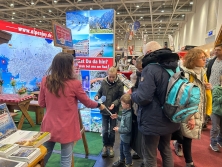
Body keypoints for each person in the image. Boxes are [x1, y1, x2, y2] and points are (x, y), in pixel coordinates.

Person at [38, 52, 105, 167]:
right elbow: (87, 102)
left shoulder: (45, 80)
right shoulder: (75, 84)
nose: (74, 66)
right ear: (67, 66)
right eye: (73, 64)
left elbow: (41, 103)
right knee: (65, 160)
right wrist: (99, 105)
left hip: (49, 125)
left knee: (43, 156)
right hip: (67, 127)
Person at [131, 41, 180, 167]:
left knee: (150, 154)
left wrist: (133, 94)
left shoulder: (150, 69)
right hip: (171, 115)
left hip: (153, 119)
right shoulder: (176, 67)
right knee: (166, 149)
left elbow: (144, 97)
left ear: (149, 53)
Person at [173, 48, 212, 167]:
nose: (205, 60)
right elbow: (185, 96)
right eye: (202, 58)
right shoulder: (186, 73)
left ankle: (177, 143)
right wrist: (191, 116)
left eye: (205, 58)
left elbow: (202, 91)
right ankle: (189, 162)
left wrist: (209, 87)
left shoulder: (202, 72)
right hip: (189, 110)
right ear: (193, 59)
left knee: (186, 134)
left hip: (199, 108)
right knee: (188, 136)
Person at [94, 66, 124, 158]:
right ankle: (105, 146)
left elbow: (121, 97)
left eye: (113, 77)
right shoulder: (103, 82)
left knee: (112, 130)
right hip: (104, 110)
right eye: (110, 76)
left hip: (113, 112)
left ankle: (111, 146)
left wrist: (114, 104)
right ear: (107, 75)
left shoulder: (119, 84)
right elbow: (100, 92)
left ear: (116, 75)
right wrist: (97, 96)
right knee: (104, 129)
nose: (111, 78)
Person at [111, 93, 133, 167]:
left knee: (126, 151)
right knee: (121, 150)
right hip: (123, 137)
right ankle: (121, 161)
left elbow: (128, 129)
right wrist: (117, 117)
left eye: (122, 104)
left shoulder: (129, 115)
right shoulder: (125, 111)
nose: (121, 105)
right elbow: (123, 119)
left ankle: (129, 163)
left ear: (127, 105)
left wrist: (119, 129)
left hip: (126, 138)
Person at [210, 76, 222, 152]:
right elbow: (216, 100)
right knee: (215, 128)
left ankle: (219, 140)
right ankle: (213, 143)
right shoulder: (216, 89)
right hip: (216, 112)